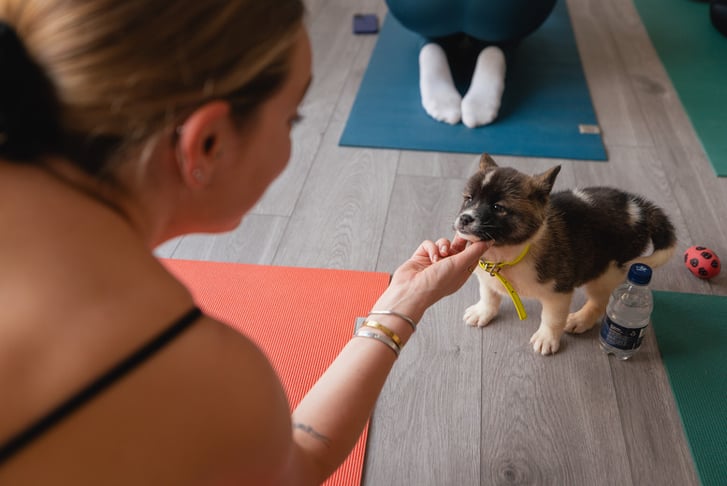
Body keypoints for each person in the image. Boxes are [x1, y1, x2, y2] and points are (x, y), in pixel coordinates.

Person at [0, 1, 487, 484]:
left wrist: (405, 293)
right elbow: (300, 463)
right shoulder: (198, 376)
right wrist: (401, 310)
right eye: (291, 120)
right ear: (208, 143)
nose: (291, 137)